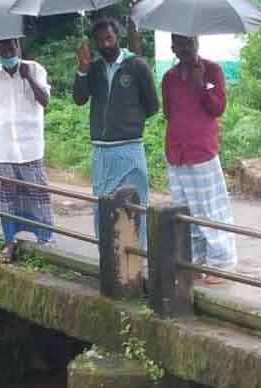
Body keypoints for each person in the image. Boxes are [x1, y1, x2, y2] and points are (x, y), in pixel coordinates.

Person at [73, 18, 158, 246]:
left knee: (135, 204)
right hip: (102, 152)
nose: (105, 44)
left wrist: (129, 123)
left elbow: (152, 105)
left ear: (117, 37)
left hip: (130, 149)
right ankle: (109, 261)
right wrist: (82, 70)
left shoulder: (137, 65)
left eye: (109, 38)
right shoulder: (94, 68)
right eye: (100, 41)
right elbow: (80, 99)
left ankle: (141, 259)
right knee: (104, 205)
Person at [162, 34, 237, 284]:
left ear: (197, 42)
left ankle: (221, 263)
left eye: (188, 43)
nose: (184, 48)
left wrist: (200, 85)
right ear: (172, 47)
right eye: (179, 44)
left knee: (210, 209)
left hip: (201, 151)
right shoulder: (169, 78)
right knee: (184, 209)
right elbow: (168, 112)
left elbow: (218, 108)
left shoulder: (212, 71)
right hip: (176, 152)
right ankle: (195, 261)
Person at [0, 38, 54, 263]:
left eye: (11, 48)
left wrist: (28, 77)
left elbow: (45, 100)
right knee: (8, 198)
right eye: (3, 48)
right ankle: (9, 242)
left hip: (31, 146)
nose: (8, 52)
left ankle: (45, 243)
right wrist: (9, 126)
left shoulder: (35, 69)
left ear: (19, 47)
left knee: (38, 194)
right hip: (6, 149)